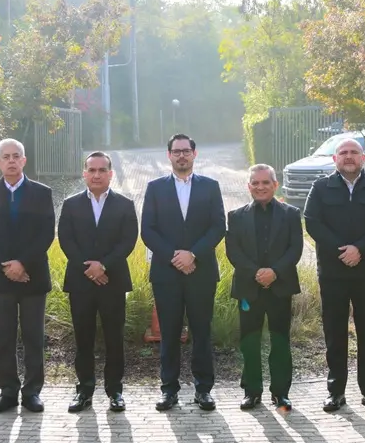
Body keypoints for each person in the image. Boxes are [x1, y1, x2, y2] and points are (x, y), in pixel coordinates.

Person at [304, 137, 365, 415]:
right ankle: (336, 392)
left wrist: (360, 249)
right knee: (335, 333)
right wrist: (343, 251)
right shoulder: (321, 188)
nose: (348, 156)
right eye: (343, 152)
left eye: (354, 152)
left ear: (363, 157)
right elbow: (312, 223)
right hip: (333, 273)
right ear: (335, 159)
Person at [140, 134, 226, 412]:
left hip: (201, 272)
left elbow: (218, 226)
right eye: (176, 151)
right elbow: (148, 229)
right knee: (169, 333)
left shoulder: (210, 186)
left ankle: (204, 390)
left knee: (202, 332)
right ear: (169, 155)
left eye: (186, 151)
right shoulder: (155, 188)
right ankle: (169, 390)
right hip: (167, 273)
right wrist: (175, 256)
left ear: (194, 154)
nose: (181, 156)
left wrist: (193, 254)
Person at [0, 138, 55, 414]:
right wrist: (7, 266)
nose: (11, 160)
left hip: (33, 276)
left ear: (24, 160)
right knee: (4, 337)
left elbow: (46, 233)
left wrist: (22, 264)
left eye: (16, 156)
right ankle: (7, 391)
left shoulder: (42, 193)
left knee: (34, 337)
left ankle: (32, 391)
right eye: (6, 156)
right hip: (0, 278)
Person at [58, 152, 139, 413]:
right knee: (83, 338)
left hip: (112, 281)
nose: (96, 175)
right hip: (80, 282)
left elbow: (128, 240)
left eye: (102, 170)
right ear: (84, 174)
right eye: (91, 170)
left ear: (110, 174)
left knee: (114, 338)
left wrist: (103, 265)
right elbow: (66, 239)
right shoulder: (70, 204)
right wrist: (90, 268)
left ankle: (115, 391)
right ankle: (84, 390)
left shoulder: (125, 205)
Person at [226, 165, 304, 412]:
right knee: (249, 342)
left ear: (275, 185)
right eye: (255, 183)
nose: (260, 187)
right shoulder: (236, 216)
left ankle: (281, 394)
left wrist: (275, 272)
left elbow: (295, 249)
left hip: (280, 287)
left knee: (280, 341)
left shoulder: (291, 214)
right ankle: (252, 391)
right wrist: (257, 273)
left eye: (265, 183)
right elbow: (233, 251)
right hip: (249, 288)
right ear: (248, 186)